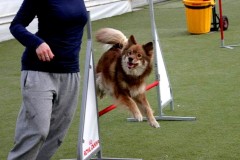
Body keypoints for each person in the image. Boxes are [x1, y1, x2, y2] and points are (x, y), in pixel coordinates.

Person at [7, 0, 88, 159]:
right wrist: (37, 43)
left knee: (57, 134)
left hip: (70, 72)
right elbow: (16, 25)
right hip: (39, 71)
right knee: (37, 131)